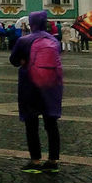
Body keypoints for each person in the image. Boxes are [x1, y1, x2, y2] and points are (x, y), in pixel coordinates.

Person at [10, 9, 64, 173]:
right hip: (51, 86)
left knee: (31, 124)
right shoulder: (54, 41)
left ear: (32, 23)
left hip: (30, 85)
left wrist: (23, 60)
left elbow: (13, 60)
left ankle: (35, 161)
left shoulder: (24, 40)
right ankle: (53, 161)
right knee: (51, 124)